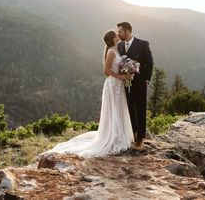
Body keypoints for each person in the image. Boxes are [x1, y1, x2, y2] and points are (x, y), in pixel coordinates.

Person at [39, 30, 134, 158]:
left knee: (119, 109)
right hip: (112, 84)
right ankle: (113, 137)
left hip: (118, 85)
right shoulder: (111, 52)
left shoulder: (117, 50)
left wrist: (126, 72)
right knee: (114, 110)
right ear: (113, 39)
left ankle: (119, 134)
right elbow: (106, 71)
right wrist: (121, 76)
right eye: (116, 35)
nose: (118, 35)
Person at [117, 22, 154, 150]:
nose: (118, 33)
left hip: (139, 82)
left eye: (120, 31)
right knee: (129, 108)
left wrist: (146, 80)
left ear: (127, 31)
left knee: (140, 108)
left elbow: (150, 63)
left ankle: (140, 139)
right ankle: (133, 133)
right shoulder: (120, 45)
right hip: (125, 83)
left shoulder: (143, 44)